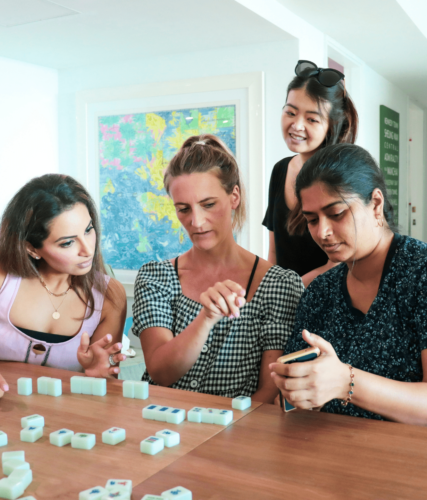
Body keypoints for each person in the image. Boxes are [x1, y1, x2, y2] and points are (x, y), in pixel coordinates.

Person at [132, 135, 304, 402]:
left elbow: (270, 390)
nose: (196, 221)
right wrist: (206, 318)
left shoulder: (280, 284)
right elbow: (161, 373)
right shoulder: (156, 277)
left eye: (208, 204)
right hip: (159, 426)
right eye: (183, 209)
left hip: (238, 433)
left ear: (233, 196)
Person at [0, 174, 127, 407]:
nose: (87, 249)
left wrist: (97, 374)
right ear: (31, 248)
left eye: (89, 229)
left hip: (65, 422)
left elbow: (106, 386)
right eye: (67, 242)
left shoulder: (110, 295)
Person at [271, 143, 427, 424]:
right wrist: (296, 391)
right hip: (328, 453)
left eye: (337, 213)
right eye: (312, 220)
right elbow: (290, 401)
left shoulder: (420, 272)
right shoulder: (320, 292)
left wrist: (346, 382)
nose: (323, 232)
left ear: (376, 204)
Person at [263, 60, 359, 286]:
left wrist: (290, 290)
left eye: (311, 119)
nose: (296, 125)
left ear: (331, 125)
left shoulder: (343, 174)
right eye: (290, 112)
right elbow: (275, 254)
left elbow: (340, 261)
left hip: (329, 303)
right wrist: (268, 294)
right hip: (286, 304)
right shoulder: (280, 170)